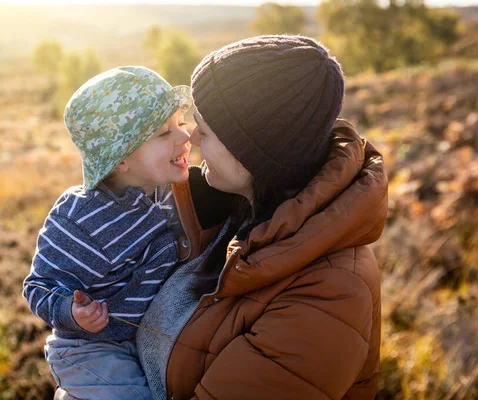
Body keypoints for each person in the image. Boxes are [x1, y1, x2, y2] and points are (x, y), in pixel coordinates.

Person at [136, 35, 388, 399]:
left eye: (205, 129)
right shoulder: (231, 211)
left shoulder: (328, 298)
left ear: (256, 152)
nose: (190, 137)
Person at [22, 66, 192, 400]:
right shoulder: (82, 219)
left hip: (143, 338)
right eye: (163, 134)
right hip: (90, 349)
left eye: (180, 124)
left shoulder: (173, 192)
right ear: (119, 161)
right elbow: (38, 286)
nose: (184, 138)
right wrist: (74, 313)